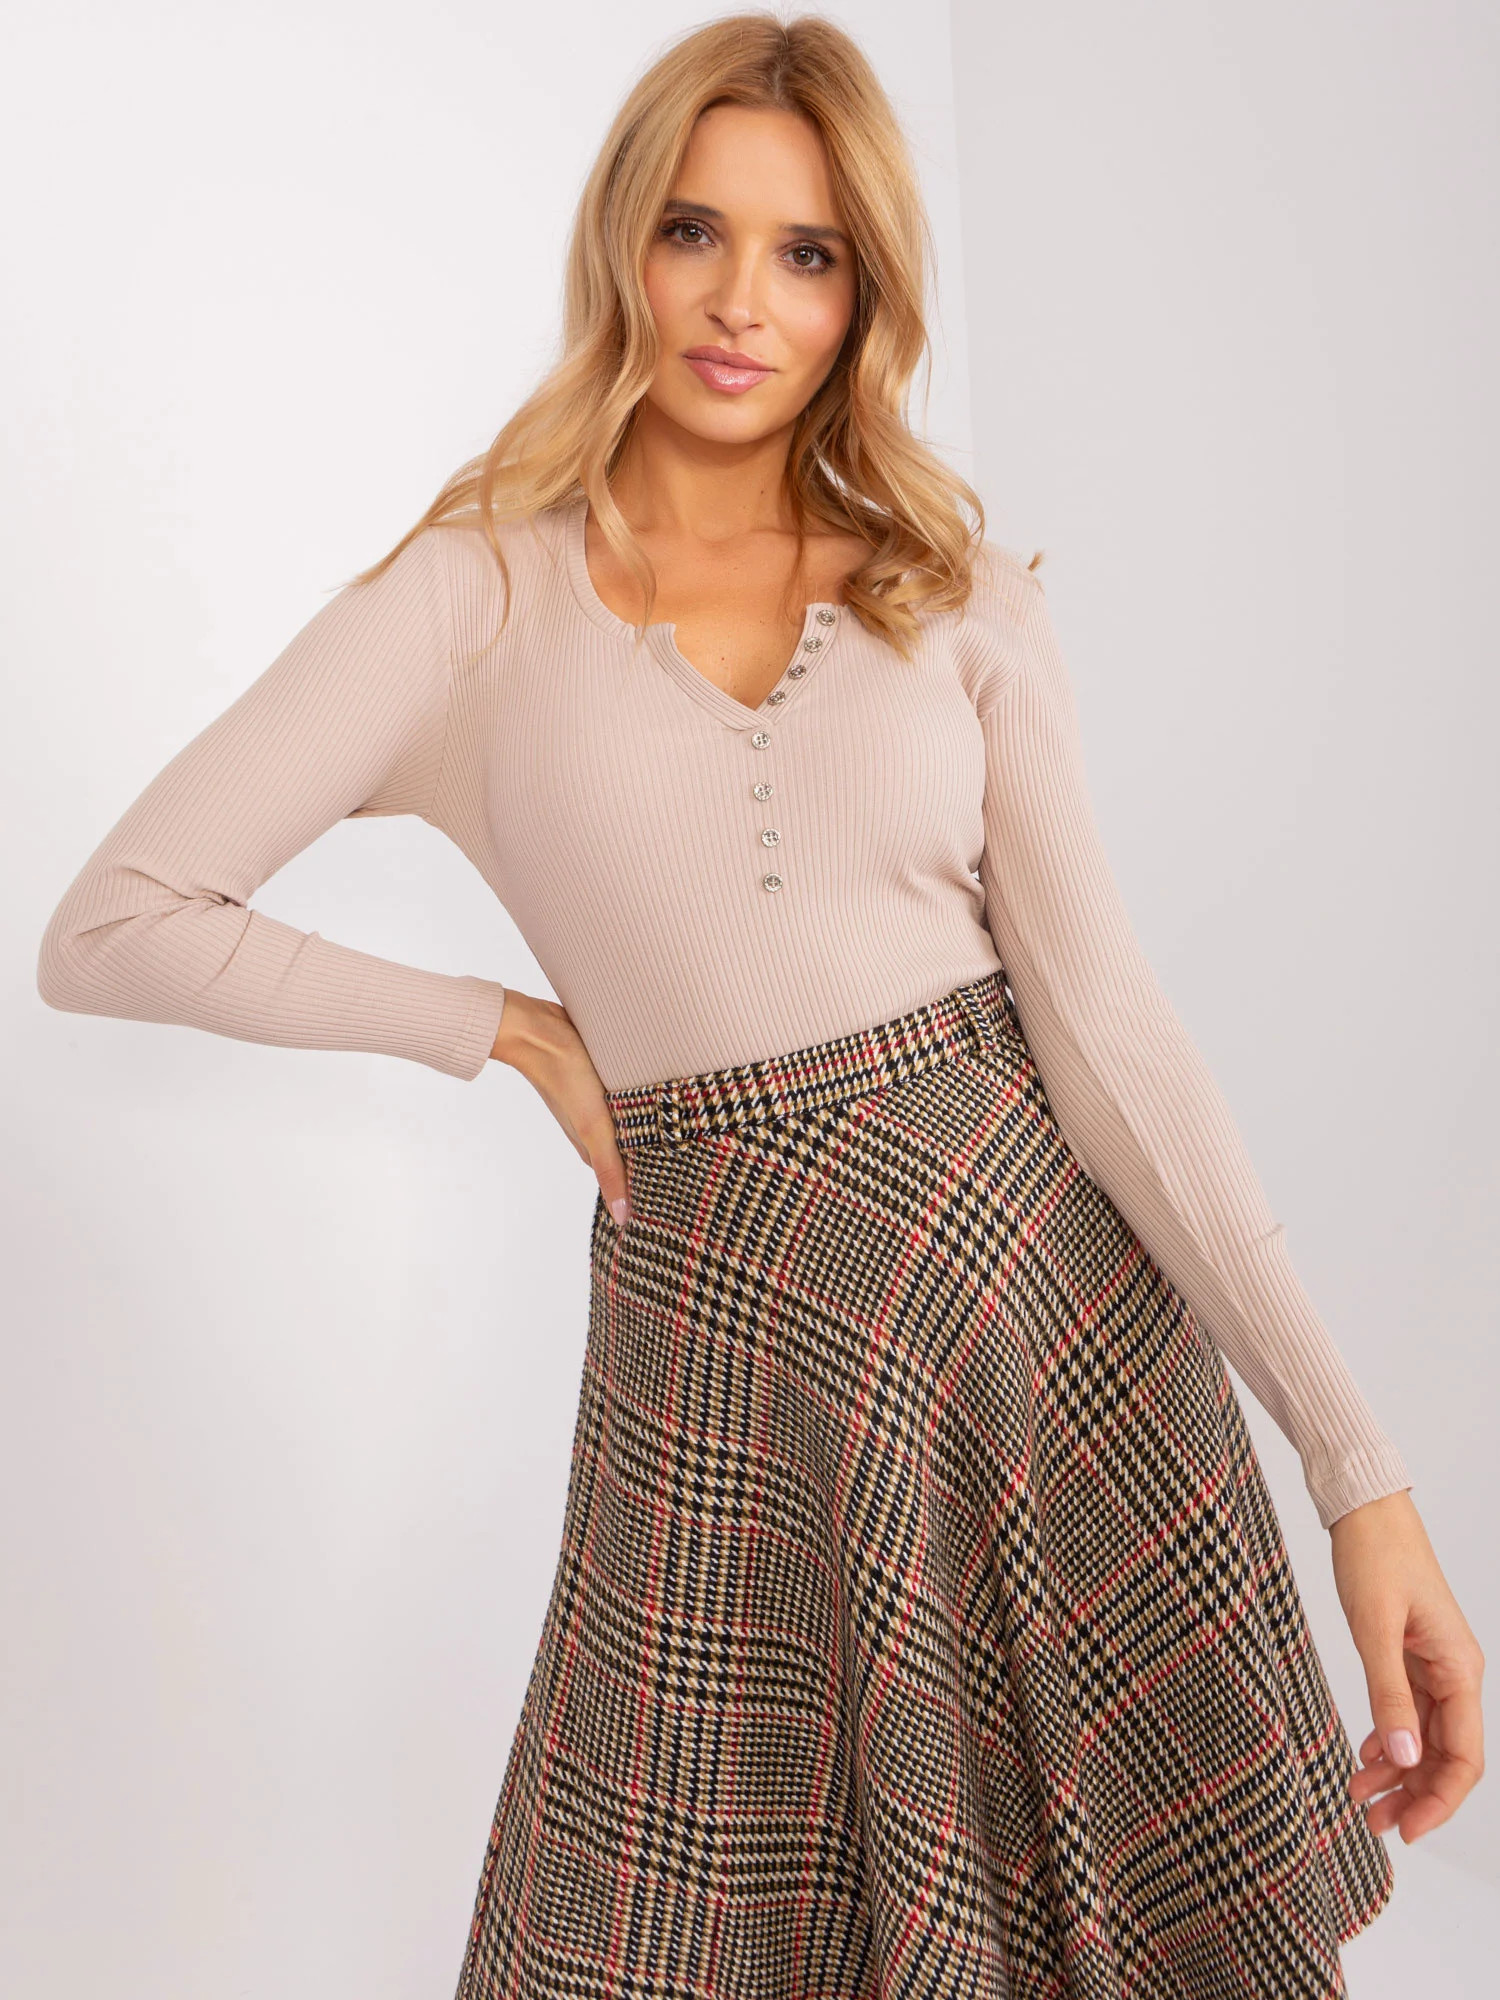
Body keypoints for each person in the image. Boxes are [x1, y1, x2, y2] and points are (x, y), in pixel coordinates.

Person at [35, 13, 1483, 1999]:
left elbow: (1116, 1042)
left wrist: (1360, 1475)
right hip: (732, 1374)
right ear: (623, 244)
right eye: (695, 231)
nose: (742, 302)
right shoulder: (473, 597)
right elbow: (116, 923)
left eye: (807, 254)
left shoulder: (952, 589)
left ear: (864, 293)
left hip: (1051, 1348)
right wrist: (507, 1029)